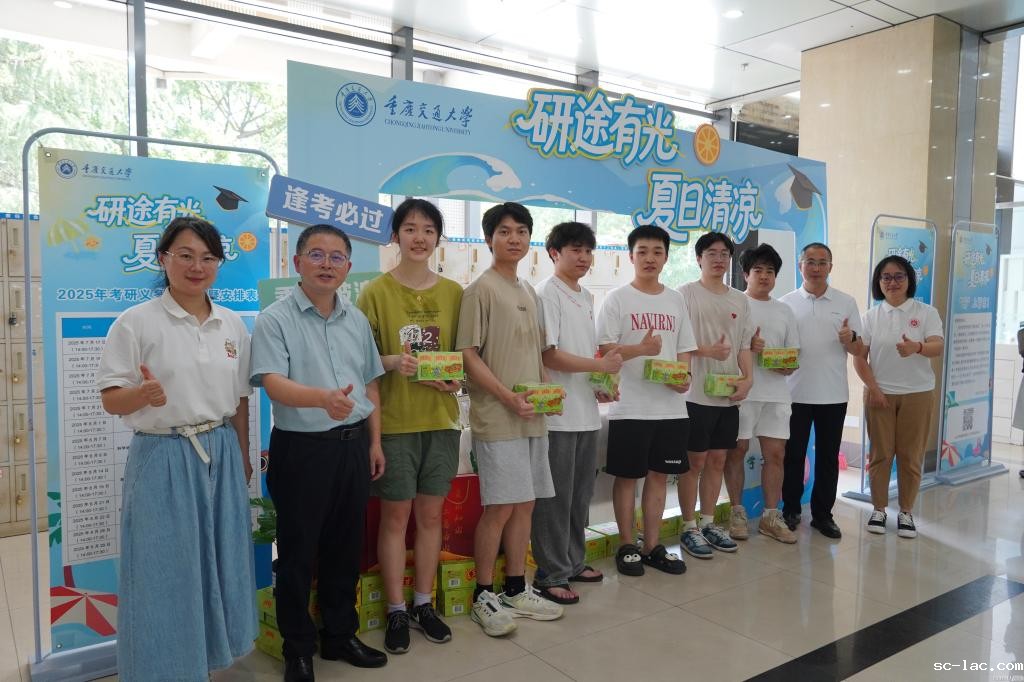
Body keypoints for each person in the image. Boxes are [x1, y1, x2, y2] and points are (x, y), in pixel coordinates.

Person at [97, 216, 256, 681]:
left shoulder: (231, 324)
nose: (196, 266)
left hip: (221, 449)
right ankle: (160, 669)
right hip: (162, 454)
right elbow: (111, 399)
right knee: (161, 568)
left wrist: (243, 454)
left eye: (208, 257)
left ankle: (208, 660)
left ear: (219, 264)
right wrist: (141, 395)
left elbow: (240, 400)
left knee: (221, 559)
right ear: (163, 259)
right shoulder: (136, 322)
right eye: (185, 255)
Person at [251, 224, 387, 682]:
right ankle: (298, 648)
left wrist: (374, 442)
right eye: (316, 254)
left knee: (345, 548)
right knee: (297, 552)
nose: (327, 264)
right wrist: (321, 399)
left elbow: (370, 384)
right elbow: (272, 383)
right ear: (297, 263)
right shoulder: (275, 319)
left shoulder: (356, 320)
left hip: (353, 447)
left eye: (336, 257)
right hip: (302, 450)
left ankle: (340, 635)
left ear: (348, 266)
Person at [355, 199, 463, 653]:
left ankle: (423, 603)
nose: (420, 237)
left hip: (441, 421)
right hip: (395, 424)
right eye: (410, 228)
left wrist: (456, 380)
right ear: (395, 235)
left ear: (438, 237)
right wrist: (391, 361)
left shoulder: (455, 293)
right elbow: (359, 363)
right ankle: (396, 609)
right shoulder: (374, 293)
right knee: (395, 518)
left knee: (432, 516)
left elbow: (464, 360)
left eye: (429, 229)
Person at [455, 202, 564, 637]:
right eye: (504, 231)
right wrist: (507, 397)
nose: (513, 238)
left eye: (521, 231)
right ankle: (483, 594)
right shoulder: (479, 290)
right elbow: (468, 355)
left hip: (531, 416)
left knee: (526, 503)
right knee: (499, 506)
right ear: (489, 239)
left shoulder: (529, 292)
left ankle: (516, 587)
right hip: (497, 416)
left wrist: (548, 394)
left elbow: (537, 355)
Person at [597, 225, 695, 577]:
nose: (650, 258)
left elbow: (685, 348)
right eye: (642, 251)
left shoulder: (676, 300)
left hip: (671, 408)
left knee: (659, 476)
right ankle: (627, 545)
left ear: (666, 257)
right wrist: (641, 349)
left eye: (657, 252)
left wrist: (684, 377)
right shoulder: (617, 299)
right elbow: (605, 348)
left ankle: (652, 546)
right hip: (630, 406)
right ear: (631, 256)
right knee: (627, 478)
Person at [532, 221, 623, 604]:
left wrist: (600, 382)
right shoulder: (546, 293)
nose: (584, 257)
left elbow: (585, 353)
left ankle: (572, 562)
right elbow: (549, 355)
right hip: (557, 415)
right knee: (555, 499)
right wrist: (599, 366)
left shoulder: (585, 295)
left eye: (588, 251)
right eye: (575, 250)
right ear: (554, 253)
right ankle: (549, 574)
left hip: (585, 412)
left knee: (579, 496)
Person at [853, 255, 944, 538]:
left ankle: (906, 512)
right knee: (880, 455)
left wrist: (917, 347)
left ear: (909, 280)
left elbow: (937, 346)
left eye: (899, 276)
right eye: (886, 277)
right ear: (879, 282)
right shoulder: (870, 317)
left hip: (918, 393)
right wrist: (874, 389)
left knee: (910, 455)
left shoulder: (926, 312)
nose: (892, 282)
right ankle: (879, 509)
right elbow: (859, 357)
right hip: (880, 394)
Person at [677, 232, 754, 559]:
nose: (719, 259)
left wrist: (748, 380)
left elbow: (744, 345)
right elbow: (676, 341)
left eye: (724, 253)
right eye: (712, 253)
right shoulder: (685, 294)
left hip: (728, 393)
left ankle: (708, 523)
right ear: (699, 258)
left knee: (719, 459)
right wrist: (705, 351)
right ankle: (688, 527)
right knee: (694, 462)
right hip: (695, 394)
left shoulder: (740, 299)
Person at [780, 243, 865, 539]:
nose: (816, 268)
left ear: (831, 266)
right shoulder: (786, 303)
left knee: (828, 458)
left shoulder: (846, 302)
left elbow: (859, 349)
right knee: (793, 455)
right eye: (810, 261)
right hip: (794, 393)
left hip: (833, 394)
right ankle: (790, 510)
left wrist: (849, 338)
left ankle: (823, 515)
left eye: (822, 262)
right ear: (800, 265)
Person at [725, 244, 799, 544]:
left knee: (776, 455)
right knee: (737, 451)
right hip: (742, 392)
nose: (764, 276)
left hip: (776, 394)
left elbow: (792, 362)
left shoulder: (785, 311)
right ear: (746, 274)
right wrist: (747, 348)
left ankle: (771, 516)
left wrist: (765, 354)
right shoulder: (735, 304)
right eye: (758, 270)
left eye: (770, 271)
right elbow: (723, 349)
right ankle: (737, 512)